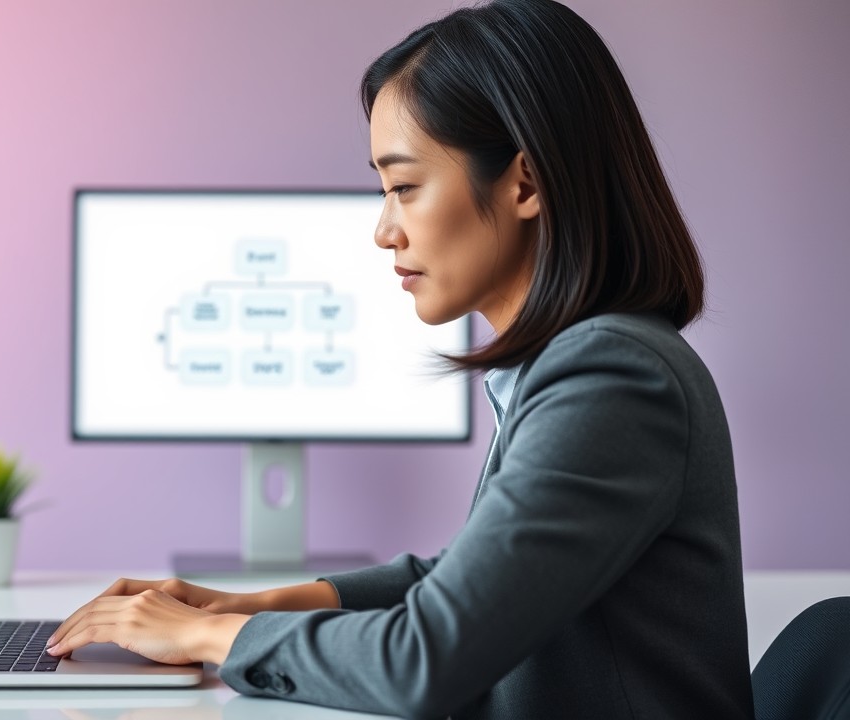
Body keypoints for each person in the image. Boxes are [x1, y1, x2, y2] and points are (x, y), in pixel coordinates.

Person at [44, 0, 754, 717]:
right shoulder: (577, 363)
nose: (385, 231)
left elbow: (425, 659)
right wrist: (250, 603)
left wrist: (212, 634)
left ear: (526, 183)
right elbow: (468, 582)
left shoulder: (613, 378)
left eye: (404, 187)